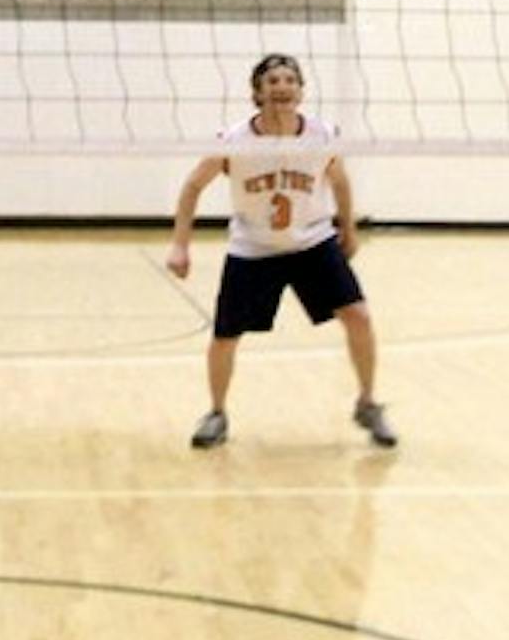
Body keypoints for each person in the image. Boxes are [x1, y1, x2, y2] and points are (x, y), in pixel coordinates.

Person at [166, 54, 395, 451]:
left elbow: (339, 181)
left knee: (358, 316)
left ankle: (368, 403)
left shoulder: (321, 135)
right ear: (258, 93)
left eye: (290, 80)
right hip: (253, 248)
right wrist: (179, 244)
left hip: (312, 243)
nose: (282, 87)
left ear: (301, 91)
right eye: (272, 81)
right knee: (225, 336)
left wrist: (348, 227)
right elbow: (192, 186)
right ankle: (216, 413)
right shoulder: (234, 141)